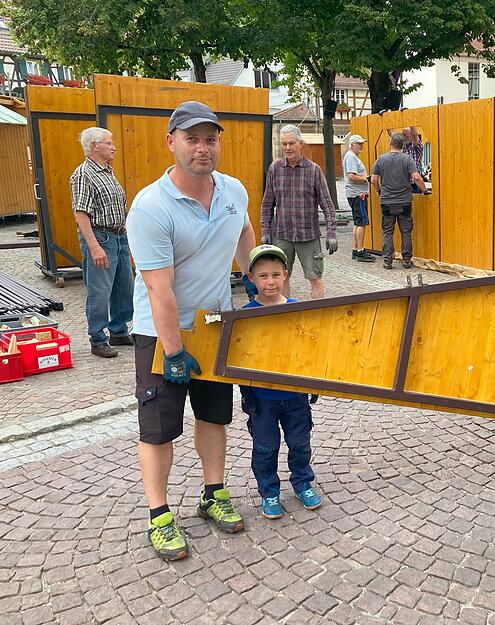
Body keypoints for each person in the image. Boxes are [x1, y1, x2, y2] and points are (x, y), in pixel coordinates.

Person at [126, 101, 257, 560]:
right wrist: (175, 351)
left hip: (216, 322)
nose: (203, 148)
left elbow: (245, 232)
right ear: (172, 142)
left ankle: (213, 493)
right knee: (158, 429)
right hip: (161, 333)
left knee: (214, 416)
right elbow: (159, 290)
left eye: (210, 139)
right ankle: (159, 515)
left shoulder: (233, 190)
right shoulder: (151, 207)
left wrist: (257, 281)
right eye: (192, 139)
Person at [239, 244, 322, 519]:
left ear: (285, 275)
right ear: (251, 278)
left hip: (295, 395)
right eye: (263, 276)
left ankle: (302, 482)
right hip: (261, 399)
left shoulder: (297, 310)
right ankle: (269, 492)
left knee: (300, 442)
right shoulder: (245, 316)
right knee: (265, 447)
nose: (270, 281)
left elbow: (312, 347)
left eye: (275, 274)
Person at [70, 127, 133, 358]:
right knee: (100, 291)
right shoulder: (83, 174)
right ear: (94, 146)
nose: (113, 146)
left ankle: (118, 330)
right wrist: (94, 247)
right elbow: (80, 214)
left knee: (124, 287)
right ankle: (97, 338)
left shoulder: (107, 172)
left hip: (118, 236)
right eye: (109, 143)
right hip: (101, 238)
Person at [261, 124, 338, 300]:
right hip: (282, 235)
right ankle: (284, 315)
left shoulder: (314, 170)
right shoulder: (275, 169)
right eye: (284, 144)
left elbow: (327, 204)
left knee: (315, 278)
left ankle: (316, 317)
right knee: (281, 279)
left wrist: (331, 232)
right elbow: (267, 204)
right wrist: (265, 231)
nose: (287, 148)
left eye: (292, 143)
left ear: (301, 144)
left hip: (308, 236)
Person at [371, 133, 429, 269]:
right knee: (405, 232)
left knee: (387, 232)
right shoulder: (407, 159)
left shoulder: (381, 159)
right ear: (402, 145)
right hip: (404, 202)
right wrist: (425, 191)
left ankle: (387, 261)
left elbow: (374, 180)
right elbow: (417, 177)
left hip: (387, 202)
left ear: (390, 143)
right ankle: (407, 260)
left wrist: (380, 191)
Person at [342, 134, 374, 263]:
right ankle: (360, 250)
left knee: (357, 222)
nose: (362, 145)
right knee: (361, 222)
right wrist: (367, 178)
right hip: (357, 194)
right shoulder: (351, 157)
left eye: (362, 143)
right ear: (352, 144)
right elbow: (351, 176)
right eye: (359, 143)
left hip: (355, 193)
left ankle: (356, 249)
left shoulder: (351, 156)